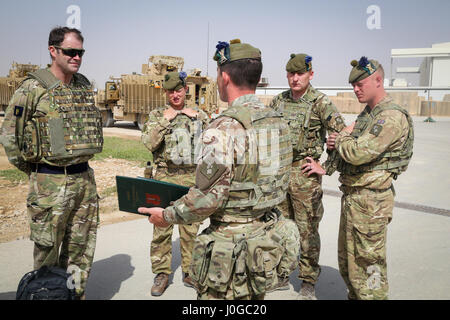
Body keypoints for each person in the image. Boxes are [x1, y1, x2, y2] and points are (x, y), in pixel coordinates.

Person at [138, 39, 299, 300]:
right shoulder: (276, 120)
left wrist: (166, 215)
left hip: (231, 250)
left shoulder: (224, 126)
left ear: (224, 76)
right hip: (264, 242)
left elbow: (206, 199)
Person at [0, 26, 103, 299]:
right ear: (53, 50)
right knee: (47, 255)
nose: (77, 57)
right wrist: (37, 172)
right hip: (50, 183)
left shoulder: (83, 84)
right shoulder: (32, 88)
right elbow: (10, 136)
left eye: (80, 52)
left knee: (81, 251)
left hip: (84, 181)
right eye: (70, 52)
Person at [327, 57, 414, 299]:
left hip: (371, 204)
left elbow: (356, 152)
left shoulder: (390, 117)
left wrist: (342, 137)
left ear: (378, 80)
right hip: (356, 199)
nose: (355, 89)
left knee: (370, 269)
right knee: (350, 268)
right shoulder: (370, 114)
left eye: (360, 83)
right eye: (353, 85)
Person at [269, 53, 346, 299]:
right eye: (290, 74)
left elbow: (341, 135)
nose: (294, 78)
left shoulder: (320, 102)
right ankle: (282, 273)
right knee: (281, 226)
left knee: (307, 229)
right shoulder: (278, 101)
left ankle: (308, 279)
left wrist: (327, 167)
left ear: (310, 74)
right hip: (280, 173)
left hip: (305, 174)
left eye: (299, 73)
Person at [141, 71, 210, 296]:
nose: (175, 95)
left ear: (185, 90)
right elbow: (149, 143)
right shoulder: (157, 115)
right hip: (164, 178)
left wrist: (196, 118)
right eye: (170, 91)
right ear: (165, 92)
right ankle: (162, 273)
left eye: (178, 90)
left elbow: (213, 142)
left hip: (192, 179)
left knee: (191, 228)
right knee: (161, 227)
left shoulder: (199, 114)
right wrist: (166, 119)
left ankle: (190, 271)